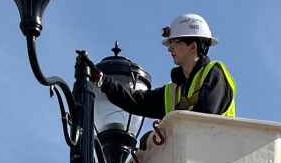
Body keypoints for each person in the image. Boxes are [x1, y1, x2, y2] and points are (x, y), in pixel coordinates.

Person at [90, 13, 236, 119]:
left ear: (192, 46)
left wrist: (164, 134)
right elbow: (138, 101)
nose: (169, 48)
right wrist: (104, 81)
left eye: (174, 42)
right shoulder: (174, 90)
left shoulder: (214, 73)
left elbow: (204, 119)